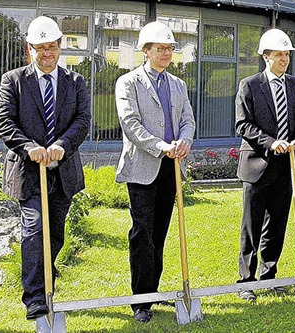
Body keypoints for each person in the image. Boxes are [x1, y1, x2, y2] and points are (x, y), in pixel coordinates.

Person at [0, 16, 90, 321]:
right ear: (29, 50)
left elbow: (82, 121)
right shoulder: (13, 81)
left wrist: (62, 145)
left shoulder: (75, 82)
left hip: (63, 171)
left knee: (56, 233)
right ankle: (35, 297)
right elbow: (4, 121)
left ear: (60, 47)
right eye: (40, 48)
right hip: (28, 171)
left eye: (51, 47)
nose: (46, 53)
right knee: (34, 228)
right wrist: (29, 147)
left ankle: (47, 275)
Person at [115, 21, 195, 323]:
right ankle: (141, 299)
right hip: (143, 167)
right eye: (160, 48)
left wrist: (185, 140)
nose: (166, 52)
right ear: (145, 51)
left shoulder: (178, 84)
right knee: (142, 233)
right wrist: (161, 145)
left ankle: (153, 290)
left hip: (170, 168)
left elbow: (187, 118)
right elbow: (130, 124)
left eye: (170, 48)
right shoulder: (128, 83)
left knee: (159, 233)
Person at [235, 28, 295, 301]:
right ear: (265, 57)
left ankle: (269, 276)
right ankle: (246, 281)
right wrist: (270, 142)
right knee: (251, 226)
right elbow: (243, 124)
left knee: (277, 224)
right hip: (256, 165)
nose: (284, 59)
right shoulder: (250, 85)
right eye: (278, 54)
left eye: (286, 54)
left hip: (284, 167)